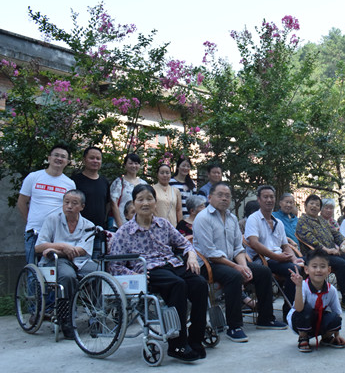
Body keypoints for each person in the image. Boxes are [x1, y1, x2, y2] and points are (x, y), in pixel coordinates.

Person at [108, 184, 208, 362]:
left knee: (199, 283)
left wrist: (192, 256)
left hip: (172, 264)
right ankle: (177, 344)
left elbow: (184, 244)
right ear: (134, 203)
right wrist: (133, 276)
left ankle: (195, 339)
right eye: (140, 199)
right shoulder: (124, 232)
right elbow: (115, 265)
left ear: (155, 202)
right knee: (178, 285)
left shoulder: (163, 224)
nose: (145, 203)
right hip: (148, 270)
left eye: (149, 199)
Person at [193, 182, 287, 343]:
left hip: (231, 261)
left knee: (263, 271)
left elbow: (238, 247)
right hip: (209, 265)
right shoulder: (203, 218)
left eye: (227, 196)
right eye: (220, 195)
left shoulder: (232, 218)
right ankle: (234, 326)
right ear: (209, 197)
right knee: (234, 276)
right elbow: (210, 253)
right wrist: (238, 267)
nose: (224, 198)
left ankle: (266, 319)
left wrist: (244, 266)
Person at [34, 189, 97, 339]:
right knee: (67, 276)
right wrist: (63, 246)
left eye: (74, 203)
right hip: (56, 260)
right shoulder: (52, 219)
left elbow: (83, 250)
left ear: (82, 206)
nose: (69, 206)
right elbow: (39, 247)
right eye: (66, 202)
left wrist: (55, 249)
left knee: (98, 273)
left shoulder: (88, 225)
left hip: (80, 260)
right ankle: (66, 319)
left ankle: (96, 315)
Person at [295, 194, 345, 313]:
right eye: (311, 204)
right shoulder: (302, 221)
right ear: (305, 206)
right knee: (343, 264)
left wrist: (342, 243)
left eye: (317, 205)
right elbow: (310, 239)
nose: (314, 206)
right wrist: (327, 250)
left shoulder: (322, 220)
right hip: (317, 255)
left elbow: (335, 233)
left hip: (332, 252)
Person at [245, 185, 303, 318]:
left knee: (305, 265)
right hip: (262, 260)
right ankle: (289, 312)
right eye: (265, 197)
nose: (269, 200)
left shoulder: (278, 222)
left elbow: (285, 245)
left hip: (279, 259)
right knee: (294, 270)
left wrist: (294, 258)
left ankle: (298, 307)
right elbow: (254, 243)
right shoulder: (253, 219)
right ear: (259, 200)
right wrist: (276, 257)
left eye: (271, 197)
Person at [17, 144, 76, 264]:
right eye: (56, 155)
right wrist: (30, 222)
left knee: (53, 269)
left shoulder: (70, 184)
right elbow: (21, 202)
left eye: (63, 157)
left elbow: (70, 208)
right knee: (33, 269)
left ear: (67, 162)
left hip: (57, 234)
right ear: (49, 158)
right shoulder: (33, 177)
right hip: (34, 232)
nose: (59, 158)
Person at [288, 249, 345, 352]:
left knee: (335, 318)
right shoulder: (303, 286)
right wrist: (298, 286)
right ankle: (303, 337)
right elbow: (298, 308)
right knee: (306, 309)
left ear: (328, 270)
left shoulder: (331, 290)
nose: (318, 270)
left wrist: (337, 335)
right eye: (314, 267)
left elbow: (337, 312)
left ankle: (326, 337)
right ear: (306, 269)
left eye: (323, 267)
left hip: (317, 320)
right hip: (300, 321)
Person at [110, 153, 147, 228]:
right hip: (121, 224)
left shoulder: (144, 184)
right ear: (125, 165)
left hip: (140, 225)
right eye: (130, 163)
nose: (133, 166)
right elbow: (114, 204)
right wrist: (120, 226)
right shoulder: (119, 182)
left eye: (136, 163)